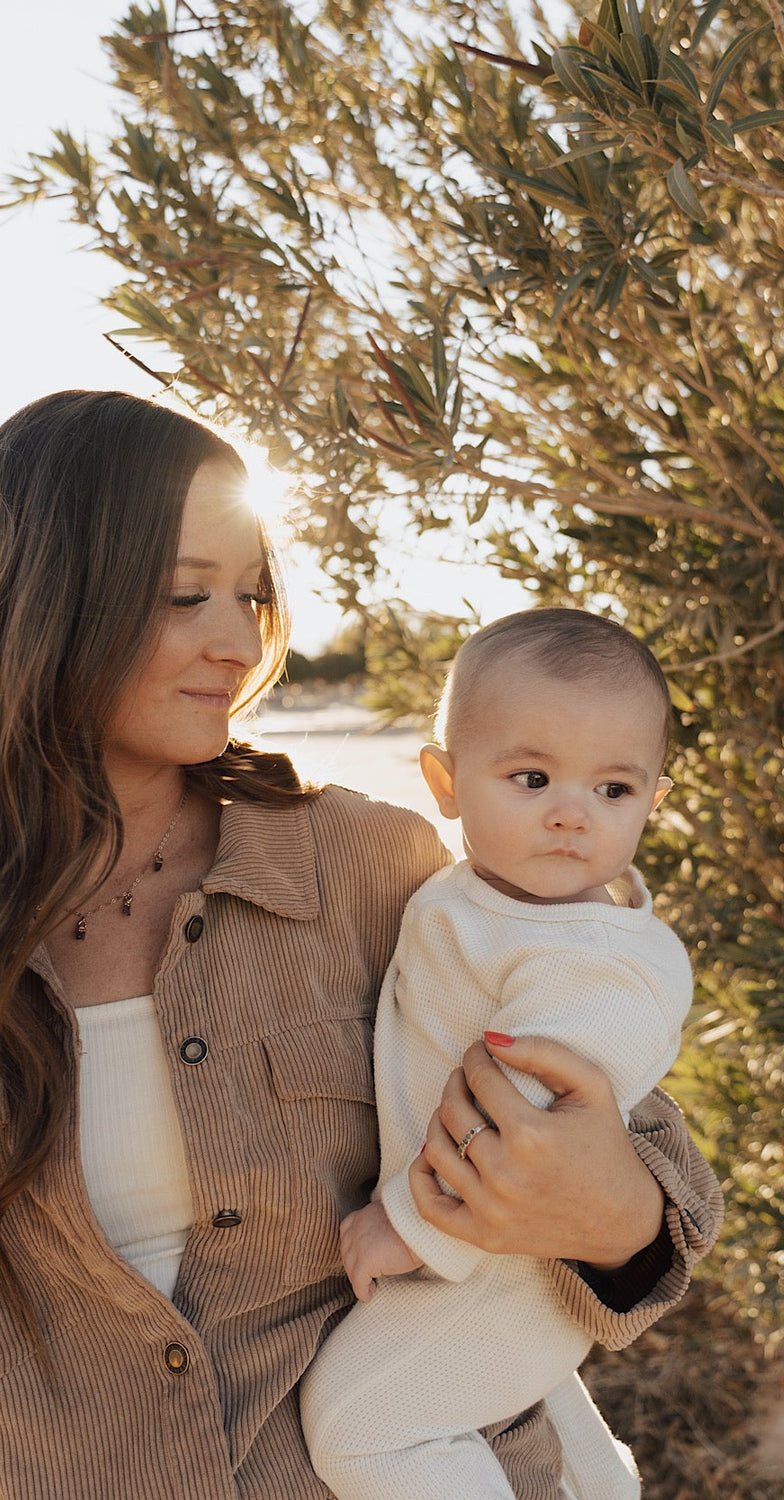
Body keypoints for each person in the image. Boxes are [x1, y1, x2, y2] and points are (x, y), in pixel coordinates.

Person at [0, 391, 721, 1499]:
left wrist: (614, 1214)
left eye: (252, 595)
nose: (239, 644)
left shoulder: (369, 870)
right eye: (187, 595)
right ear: (45, 600)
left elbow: (642, 1187)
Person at [301, 609, 697, 1500]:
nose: (570, 816)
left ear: (655, 803)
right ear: (445, 781)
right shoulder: (483, 897)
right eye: (532, 777)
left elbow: (518, 1118)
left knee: (362, 1426)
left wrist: (406, 1219)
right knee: (514, 1397)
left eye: (613, 791)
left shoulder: (605, 964)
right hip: (493, 1270)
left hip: (500, 1259)